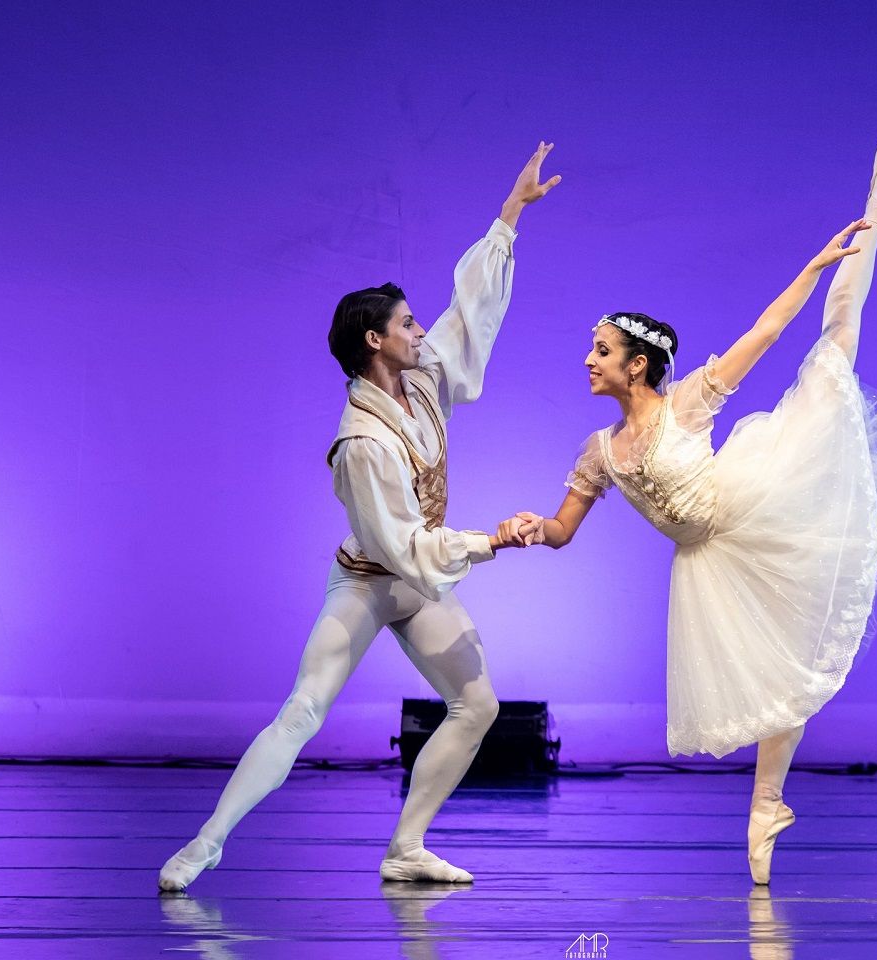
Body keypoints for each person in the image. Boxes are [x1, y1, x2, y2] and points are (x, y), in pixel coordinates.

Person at [500, 135, 877, 885]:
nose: (588, 361)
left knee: (832, 351)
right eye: (589, 351)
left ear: (638, 364)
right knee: (774, 675)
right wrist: (528, 531)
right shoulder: (599, 450)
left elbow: (765, 333)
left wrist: (814, 268)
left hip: (757, 500)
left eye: (600, 350)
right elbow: (562, 531)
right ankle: (767, 806)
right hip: (708, 560)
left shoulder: (687, 404)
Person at [158, 142, 561, 892]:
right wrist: (491, 539)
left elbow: (469, 311)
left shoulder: (423, 378)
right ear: (375, 341)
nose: (420, 332)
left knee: (477, 704)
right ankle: (206, 843)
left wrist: (509, 217)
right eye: (406, 325)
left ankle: (406, 847)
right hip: (373, 579)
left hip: (420, 575)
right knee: (305, 708)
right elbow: (406, 546)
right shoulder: (362, 443)